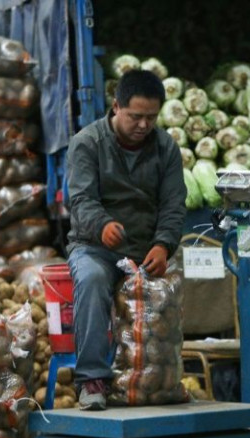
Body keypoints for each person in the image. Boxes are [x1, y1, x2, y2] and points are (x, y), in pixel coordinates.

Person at [65, 69, 187, 411]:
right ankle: (92, 380)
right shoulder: (87, 143)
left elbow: (174, 203)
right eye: (135, 116)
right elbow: (81, 200)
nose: (144, 125)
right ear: (116, 107)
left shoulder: (166, 148)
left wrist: (164, 244)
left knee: (169, 296)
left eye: (151, 117)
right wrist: (102, 225)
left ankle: (159, 382)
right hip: (96, 247)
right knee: (90, 280)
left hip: (148, 250)